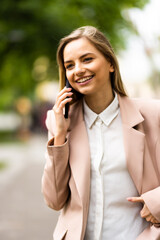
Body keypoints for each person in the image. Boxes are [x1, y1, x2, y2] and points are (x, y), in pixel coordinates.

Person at [41, 26, 160, 240]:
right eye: (70, 65)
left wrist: (158, 202)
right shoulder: (59, 122)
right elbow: (54, 200)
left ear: (111, 63)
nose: (78, 69)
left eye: (87, 59)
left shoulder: (153, 115)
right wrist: (59, 136)